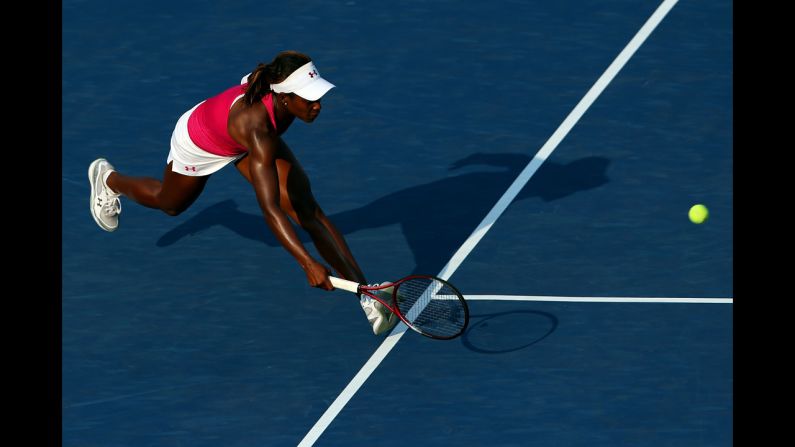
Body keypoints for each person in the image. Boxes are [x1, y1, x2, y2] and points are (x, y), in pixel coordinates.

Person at [87, 50, 397, 335]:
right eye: (309, 98)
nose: (318, 105)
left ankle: (369, 294)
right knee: (170, 203)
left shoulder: (278, 94)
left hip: (242, 136)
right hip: (199, 140)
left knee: (306, 208)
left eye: (318, 97)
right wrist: (307, 263)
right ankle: (109, 179)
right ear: (285, 97)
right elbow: (270, 208)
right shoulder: (256, 128)